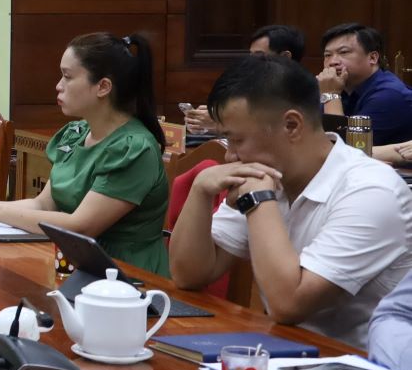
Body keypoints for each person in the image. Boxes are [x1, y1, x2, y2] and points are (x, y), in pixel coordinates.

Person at [169, 53, 412, 351]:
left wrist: (259, 200)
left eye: (237, 140)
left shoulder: (372, 191)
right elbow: (189, 275)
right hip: (285, 353)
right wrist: (200, 192)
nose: (230, 156)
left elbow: (288, 304)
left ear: (292, 125)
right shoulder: (267, 174)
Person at [0, 32, 170, 275]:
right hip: (76, 266)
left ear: (103, 86)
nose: (58, 85)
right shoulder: (76, 133)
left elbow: (81, 228)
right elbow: (43, 203)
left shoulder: (134, 148)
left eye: (67, 77)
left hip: (129, 278)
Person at [182, 25, 307, 133]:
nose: (251, 62)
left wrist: (220, 123)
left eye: (258, 55)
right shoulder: (253, 85)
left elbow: (273, 134)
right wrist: (204, 124)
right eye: (251, 55)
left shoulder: (303, 91)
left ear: (285, 57)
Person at [318, 22, 412, 146]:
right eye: (327, 55)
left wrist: (331, 95)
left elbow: (340, 150)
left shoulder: (389, 95)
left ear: (373, 58)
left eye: (344, 52)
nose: (332, 62)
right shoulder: (337, 86)